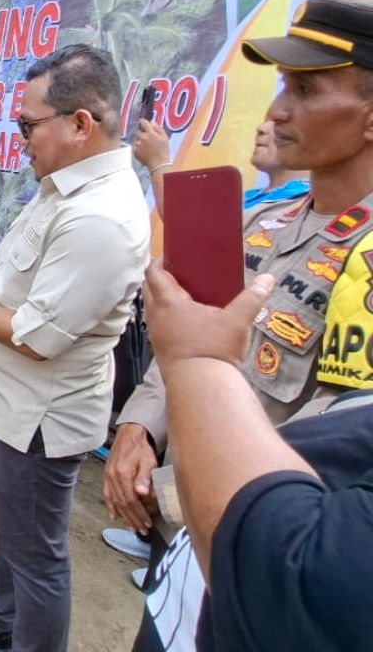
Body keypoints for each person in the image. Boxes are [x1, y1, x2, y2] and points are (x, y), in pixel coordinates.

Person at [0, 44, 151, 652]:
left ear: (80, 124)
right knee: (16, 534)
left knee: (38, 556)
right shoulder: (63, 186)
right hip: (12, 407)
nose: (19, 139)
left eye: (27, 125)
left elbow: (37, 338)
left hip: (37, 418)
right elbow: (21, 271)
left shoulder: (100, 219)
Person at [106, 0, 373, 545]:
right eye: (282, 87)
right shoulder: (263, 222)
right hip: (184, 520)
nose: (277, 110)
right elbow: (189, 333)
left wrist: (176, 486)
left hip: (266, 538)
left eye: (304, 90)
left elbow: (340, 439)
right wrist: (139, 428)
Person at [136, 263, 373, 652]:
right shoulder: (269, 207)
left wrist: (195, 361)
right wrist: (142, 423)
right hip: (189, 569)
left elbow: (301, 581)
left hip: (214, 505)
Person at [135, 118, 310, 215]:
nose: (262, 128)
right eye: (267, 120)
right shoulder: (251, 196)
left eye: (279, 123)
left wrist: (158, 162)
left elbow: (186, 224)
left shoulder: (300, 204)